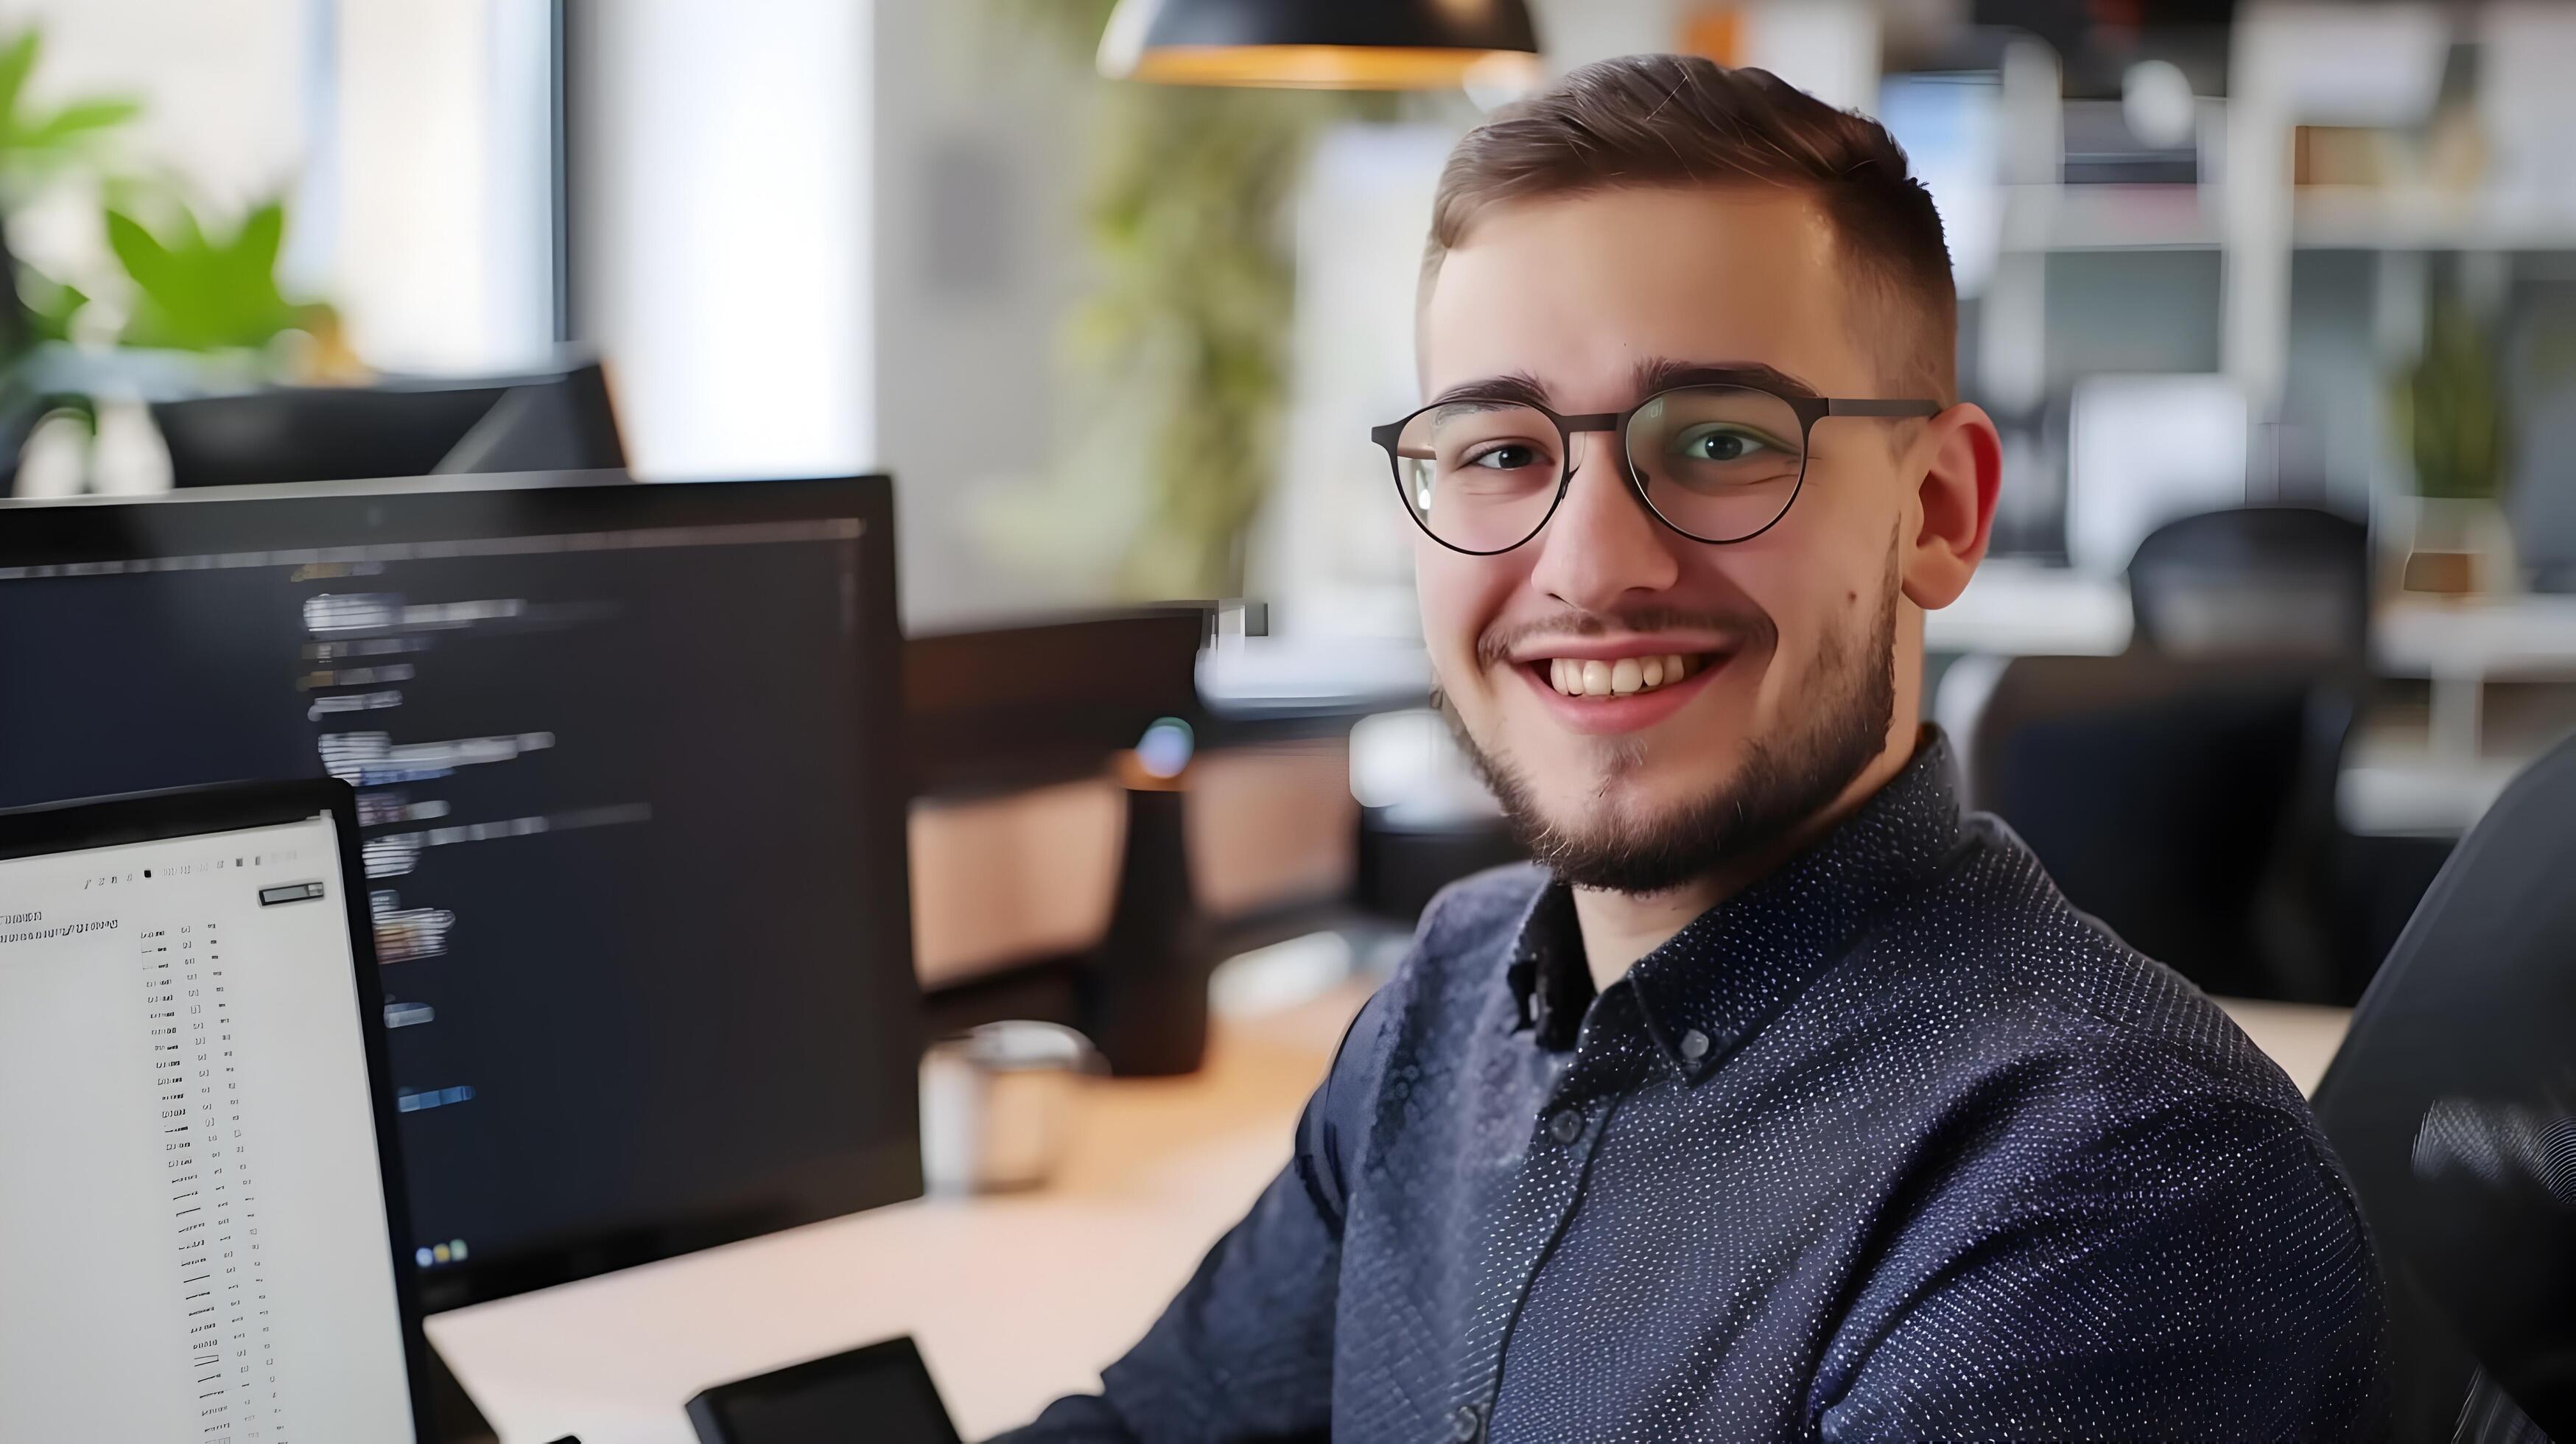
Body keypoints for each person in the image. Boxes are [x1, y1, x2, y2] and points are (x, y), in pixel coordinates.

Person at [1003, 55, 2383, 1442]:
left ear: (1941, 511)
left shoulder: (2120, 1193)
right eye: (1498, 453)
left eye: (1720, 439)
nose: (1590, 566)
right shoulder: (1454, 995)